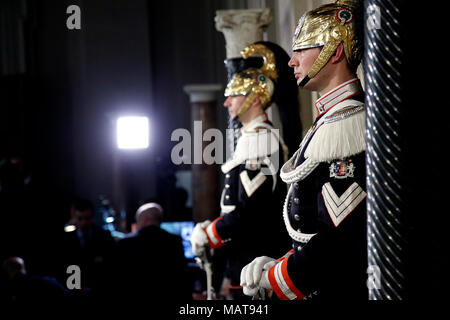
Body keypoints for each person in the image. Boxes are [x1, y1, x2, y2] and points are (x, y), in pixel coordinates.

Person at [240, 0, 368, 300]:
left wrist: (279, 276)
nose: (291, 61)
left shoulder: (347, 122)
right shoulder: (329, 120)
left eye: (301, 49)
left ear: (335, 51)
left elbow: (340, 240)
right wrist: (282, 262)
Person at [190, 42, 299, 300]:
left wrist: (210, 234)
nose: (227, 103)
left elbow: (250, 211)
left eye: (234, 94)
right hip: (242, 258)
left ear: (256, 97)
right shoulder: (252, 138)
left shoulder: (263, 140)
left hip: (256, 260)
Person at [115, 202, 188, 301]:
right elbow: (182, 276)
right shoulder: (175, 241)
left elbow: (119, 279)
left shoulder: (125, 243)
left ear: (143, 220)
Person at [60, 198, 116, 294]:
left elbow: (110, 266)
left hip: (99, 291)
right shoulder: (66, 239)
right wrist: (76, 288)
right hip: (74, 291)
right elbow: (66, 266)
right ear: (74, 216)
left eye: (87, 218)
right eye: (80, 218)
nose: (84, 223)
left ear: (92, 217)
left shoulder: (104, 237)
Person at [3, 256, 70, 302]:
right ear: (23, 267)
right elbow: (67, 296)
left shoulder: (12, 290)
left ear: (8, 270)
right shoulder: (47, 281)